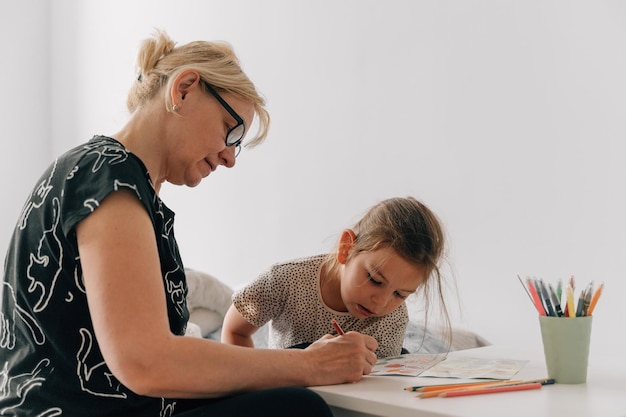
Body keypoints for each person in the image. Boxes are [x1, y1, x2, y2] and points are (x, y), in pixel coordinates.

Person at [0, 30, 378, 417]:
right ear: (184, 89)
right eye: (231, 131)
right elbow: (144, 361)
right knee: (299, 408)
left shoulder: (116, 178)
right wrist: (308, 367)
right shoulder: (108, 175)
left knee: (298, 372)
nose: (231, 157)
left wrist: (303, 362)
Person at [222, 196, 450, 359]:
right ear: (346, 248)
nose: (381, 303)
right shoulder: (284, 280)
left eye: (400, 294)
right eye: (375, 280)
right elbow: (234, 330)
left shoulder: (394, 318)